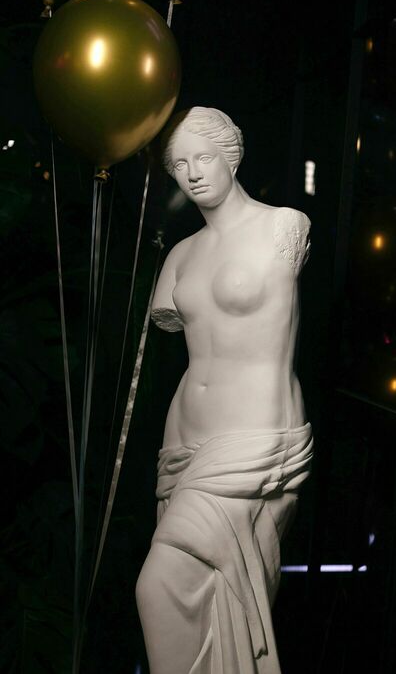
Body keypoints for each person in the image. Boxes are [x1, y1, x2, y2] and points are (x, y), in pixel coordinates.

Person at [135, 107, 313, 674]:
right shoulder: (180, 256)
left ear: (231, 156)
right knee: (200, 602)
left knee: (159, 584)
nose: (192, 173)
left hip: (255, 440)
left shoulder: (283, 226)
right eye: (179, 164)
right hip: (184, 444)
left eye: (203, 157)